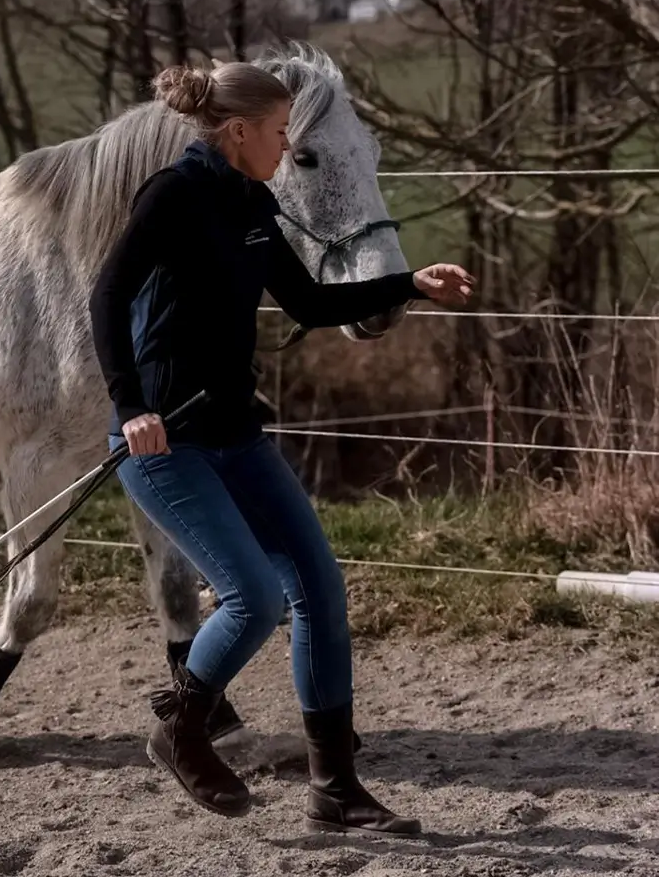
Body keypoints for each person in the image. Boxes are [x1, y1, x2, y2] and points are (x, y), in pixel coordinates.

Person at [88, 61, 474, 834]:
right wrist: (131, 406)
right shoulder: (172, 196)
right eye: (276, 131)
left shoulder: (255, 202)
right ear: (237, 132)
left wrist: (409, 285)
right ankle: (181, 727)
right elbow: (107, 294)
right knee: (254, 599)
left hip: (237, 435)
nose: (284, 143)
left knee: (321, 594)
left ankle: (334, 788)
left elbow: (309, 301)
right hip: (167, 444)